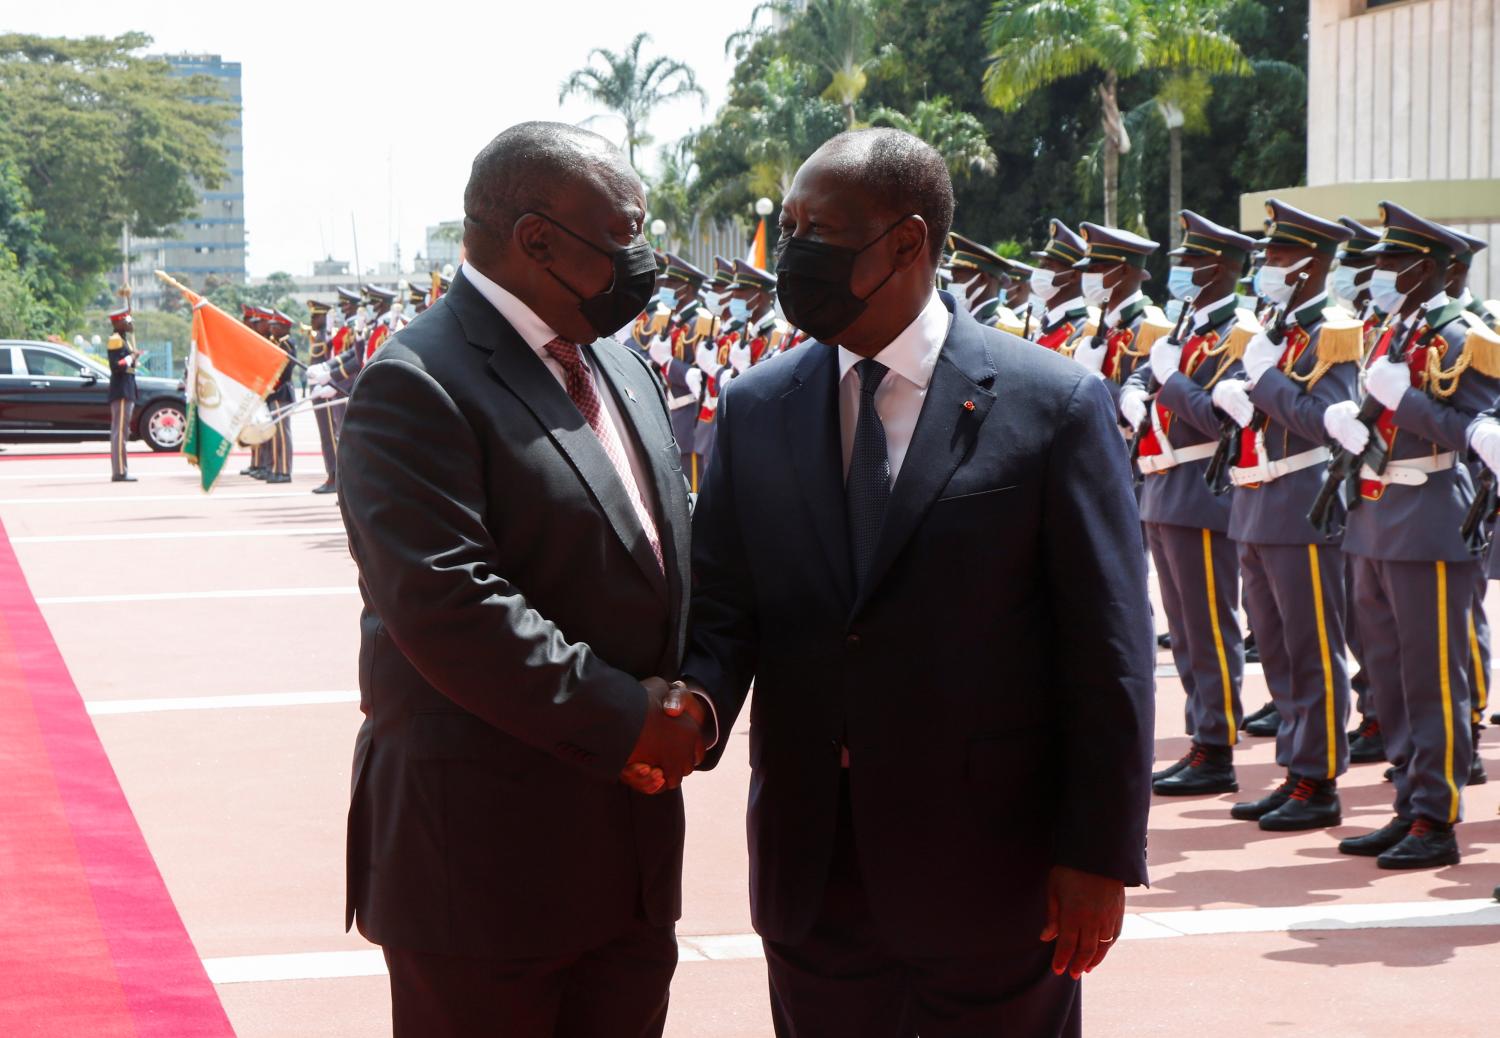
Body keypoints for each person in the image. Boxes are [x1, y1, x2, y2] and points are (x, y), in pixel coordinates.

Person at [678, 128, 1154, 1038]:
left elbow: (1108, 650)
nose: (790, 250)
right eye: (788, 224)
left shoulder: (1051, 403)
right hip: (814, 873)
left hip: (995, 877)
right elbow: (725, 609)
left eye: (819, 227)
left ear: (906, 242)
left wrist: (1098, 852)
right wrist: (693, 709)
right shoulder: (755, 407)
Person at [335, 121, 703, 1038]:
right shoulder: (417, 379)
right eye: (622, 236)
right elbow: (451, 605)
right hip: (483, 874)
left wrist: (697, 709)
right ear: (536, 238)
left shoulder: (622, 367)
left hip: (630, 862)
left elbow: (672, 565)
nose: (642, 259)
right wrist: (632, 725)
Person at [1329, 202, 1500, 869]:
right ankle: (1408, 800)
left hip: (1428, 515)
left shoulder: (1465, 337)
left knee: (1431, 677)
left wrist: (1408, 402)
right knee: (1390, 680)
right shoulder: (1391, 331)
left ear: (1431, 269)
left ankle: (1437, 815)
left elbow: (1481, 432)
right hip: (1372, 513)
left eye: (1395, 262)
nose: (1381, 273)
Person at [1213, 201, 1362, 828]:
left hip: (1300, 501)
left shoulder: (1334, 329)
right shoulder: (1274, 325)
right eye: (1268, 254)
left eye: (1279, 256)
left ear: (1312, 264)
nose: (1268, 266)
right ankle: (1294, 768)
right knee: (1274, 645)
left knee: (1310, 647)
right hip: (1255, 499)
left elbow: (1326, 422)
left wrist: (1267, 385)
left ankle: (1319, 778)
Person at [1120, 210, 1253, 798]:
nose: (1184, 271)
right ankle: (1202, 739)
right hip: (1164, 486)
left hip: (1201, 487)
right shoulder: (1185, 328)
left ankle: (1218, 746)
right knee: (1185, 628)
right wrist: (1137, 389)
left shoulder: (1240, 333)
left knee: (1208, 628)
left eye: (1195, 261)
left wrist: (1171, 383)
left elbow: (1223, 421)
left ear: (1224, 268)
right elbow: (1151, 388)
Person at [1333, 216, 1387, 763]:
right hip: (1357, 482)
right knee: (1363, 610)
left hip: (1398, 486)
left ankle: (1381, 712)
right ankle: (1375, 707)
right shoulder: (1365, 324)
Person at [1027, 219, 1093, 354]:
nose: (1040, 271)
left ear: (1074, 275)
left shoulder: (1082, 330)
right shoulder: (1045, 322)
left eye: (1048, 266)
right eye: (1040, 265)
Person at [105, 302, 139, 483]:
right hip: (121, 389)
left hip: (127, 388)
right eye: (126, 320)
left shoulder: (123, 339)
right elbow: (115, 366)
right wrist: (130, 357)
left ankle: (121, 469)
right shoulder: (116, 339)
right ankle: (119, 471)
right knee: (119, 433)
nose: (130, 323)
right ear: (118, 323)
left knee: (122, 432)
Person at [264, 310, 297, 485]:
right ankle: (276, 468)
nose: (272, 328)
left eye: (275, 325)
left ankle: (284, 470)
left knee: (282, 434)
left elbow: (283, 370)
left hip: (281, 391)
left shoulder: (286, 344)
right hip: (274, 392)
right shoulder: (278, 343)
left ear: (284, 327)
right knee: (275, 435)